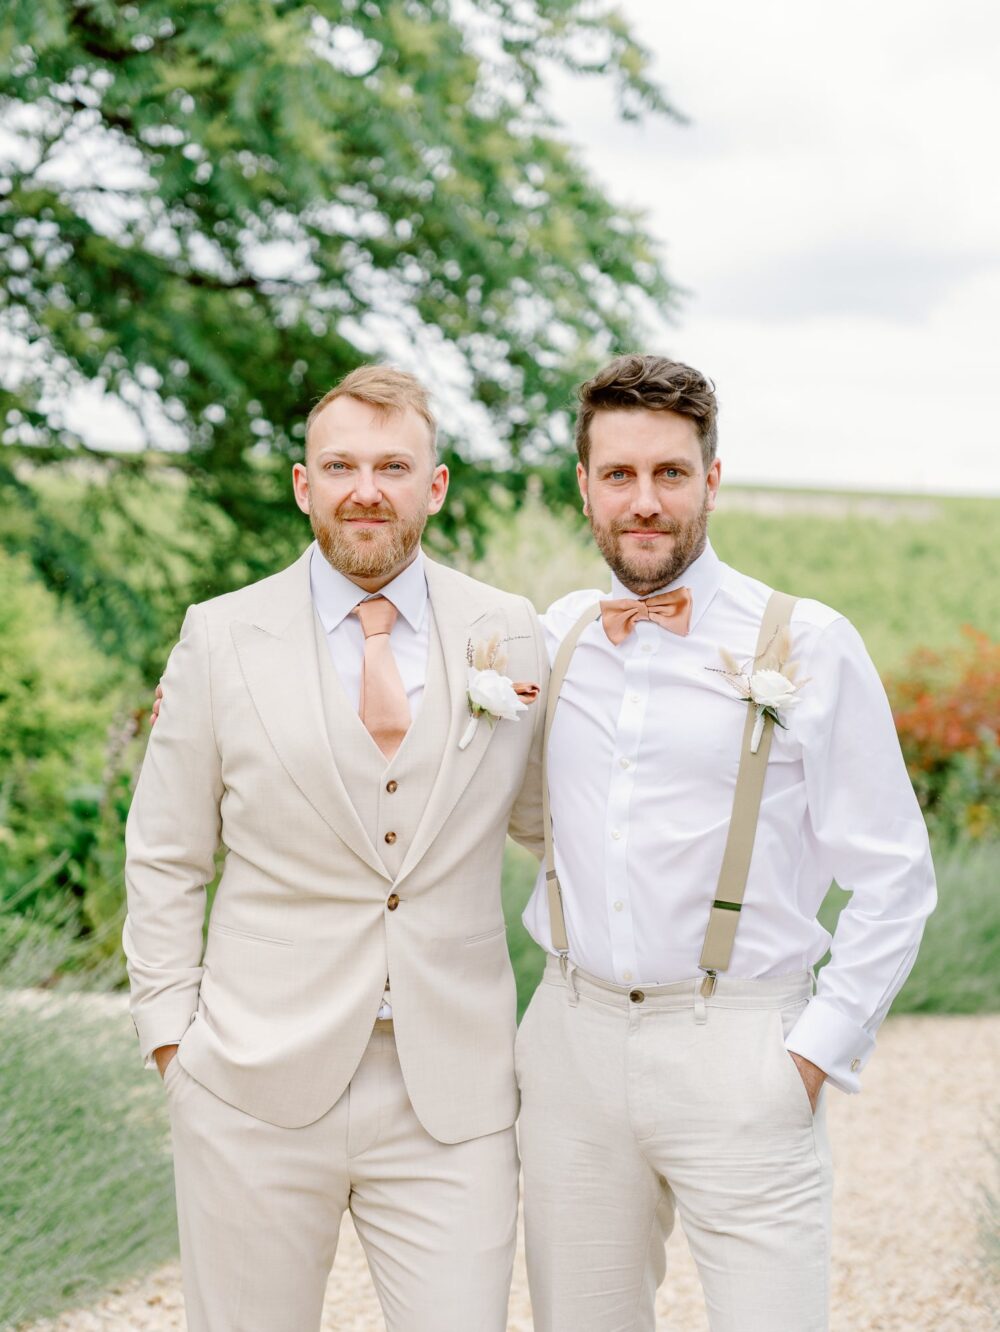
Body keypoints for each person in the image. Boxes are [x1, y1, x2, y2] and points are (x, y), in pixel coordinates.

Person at [517, 353, 937, 1332]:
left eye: (669, 473)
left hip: (741, 1040)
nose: (644, 503)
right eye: (617, 475)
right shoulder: (556, 635)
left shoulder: (807, 642)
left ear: (711, 478)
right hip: (569, 1046)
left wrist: (811, 1054)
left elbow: (893, 879)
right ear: (584, 485)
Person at [124, 365, 546, 1332]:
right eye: (341, 465)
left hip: (454, 1092)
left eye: (394, 465)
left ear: (433, 487)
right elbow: (166, 854)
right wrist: (170, 1042)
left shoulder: (511, 633)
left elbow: (555, 828)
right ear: (303, 484)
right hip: (250, 1080)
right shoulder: (220, 637)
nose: (368, 488)